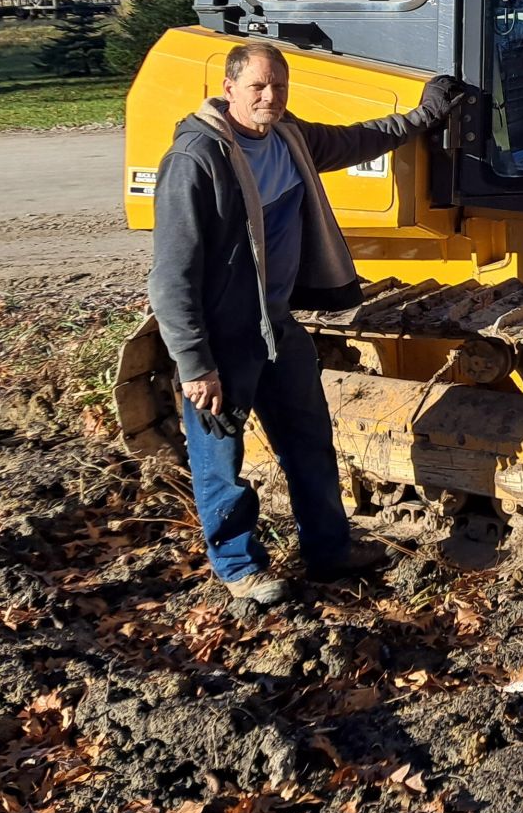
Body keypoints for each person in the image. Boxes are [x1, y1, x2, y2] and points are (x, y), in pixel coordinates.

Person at [148, 41, 461, 604]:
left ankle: (329, 551)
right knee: (222, 460)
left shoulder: (288, 136)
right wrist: (195, 364)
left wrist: (425, 115)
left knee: (310, 444)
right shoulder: (196, 160)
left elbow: (357, 138)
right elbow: (171, 276)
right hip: (223, 341)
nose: (271, 97)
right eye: (258, 88)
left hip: (277, 327)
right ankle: (240, 568)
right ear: (229, 89)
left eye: (280, 87)